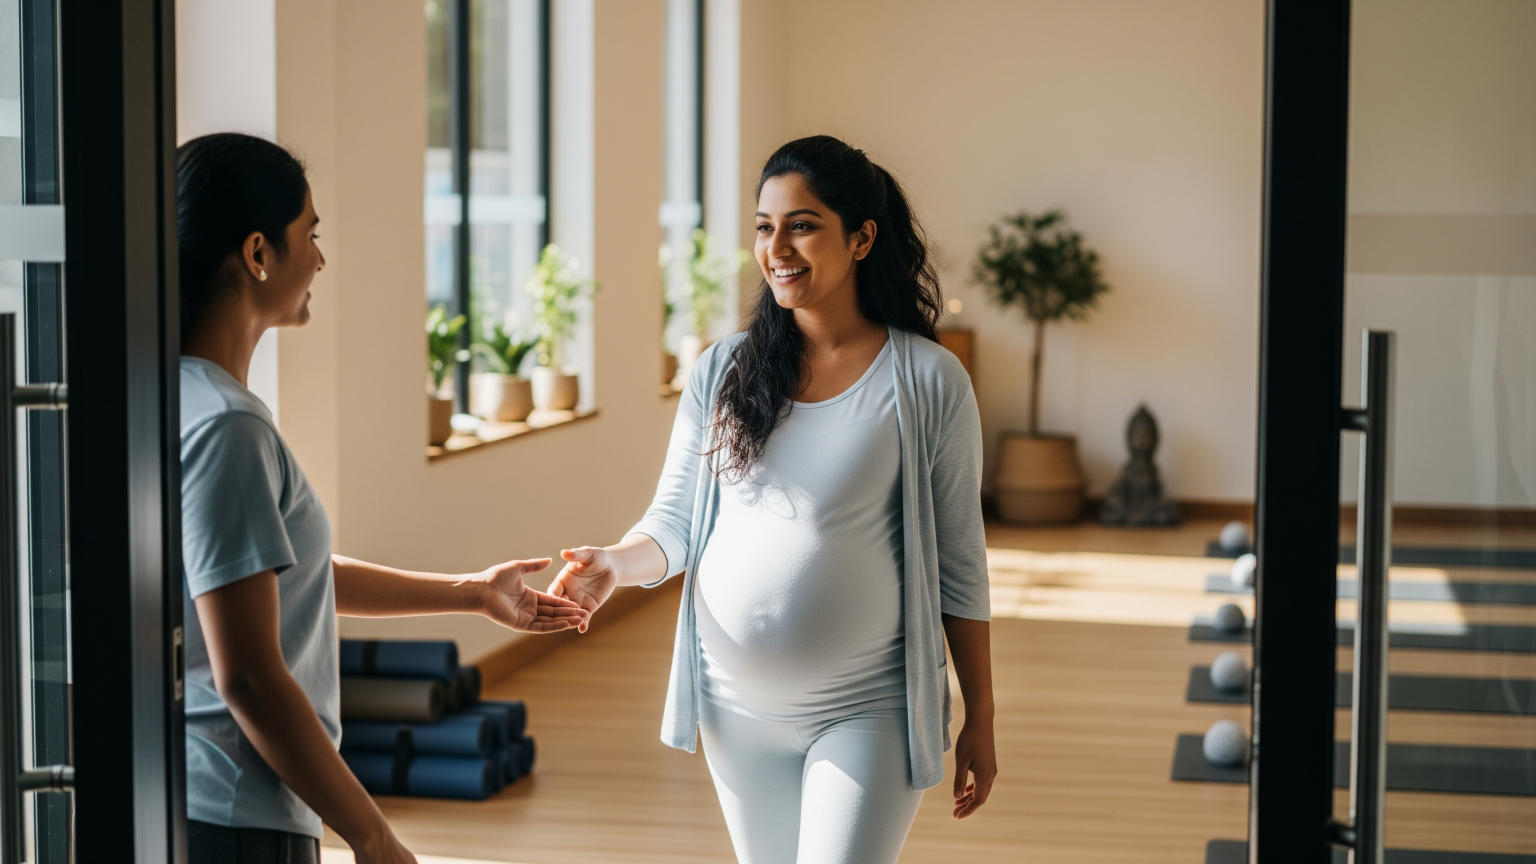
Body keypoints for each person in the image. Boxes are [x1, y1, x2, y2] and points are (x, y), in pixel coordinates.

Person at [551, 135, 996, 864]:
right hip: (736, 711)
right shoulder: (723, 370)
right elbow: (674, 522)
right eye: (764, 225)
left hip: (866, 709)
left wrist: (981, 712)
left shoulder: (926, 380)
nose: (777, 246)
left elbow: (959, 562)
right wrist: (614, 563)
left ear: (861, 238)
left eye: (802, 224)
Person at [176, 132, 588, 864]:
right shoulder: (227, 426)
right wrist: (372, 837)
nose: (321, 259)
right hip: (238, 815)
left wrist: (471, 593)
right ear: (257, 253)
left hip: (211, 802)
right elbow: (249, 676)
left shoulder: (180, 400)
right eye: (311, 234)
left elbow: (282, 575)